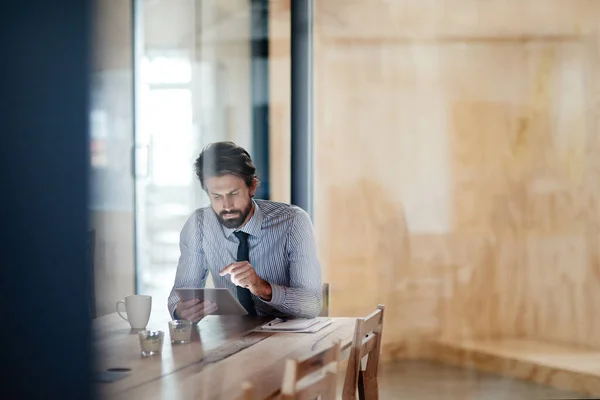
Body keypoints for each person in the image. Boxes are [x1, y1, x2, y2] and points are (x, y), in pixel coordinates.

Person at [168, 141, 322, 323]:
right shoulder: (199, 225)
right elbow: (180, 295)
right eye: (216, 196)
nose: (227, 205)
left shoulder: (293, 221)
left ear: (252, 187)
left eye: (234, 194)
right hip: (231, 337)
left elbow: (312, 305)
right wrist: (181, 311)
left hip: (288, 338)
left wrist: (263, 288)